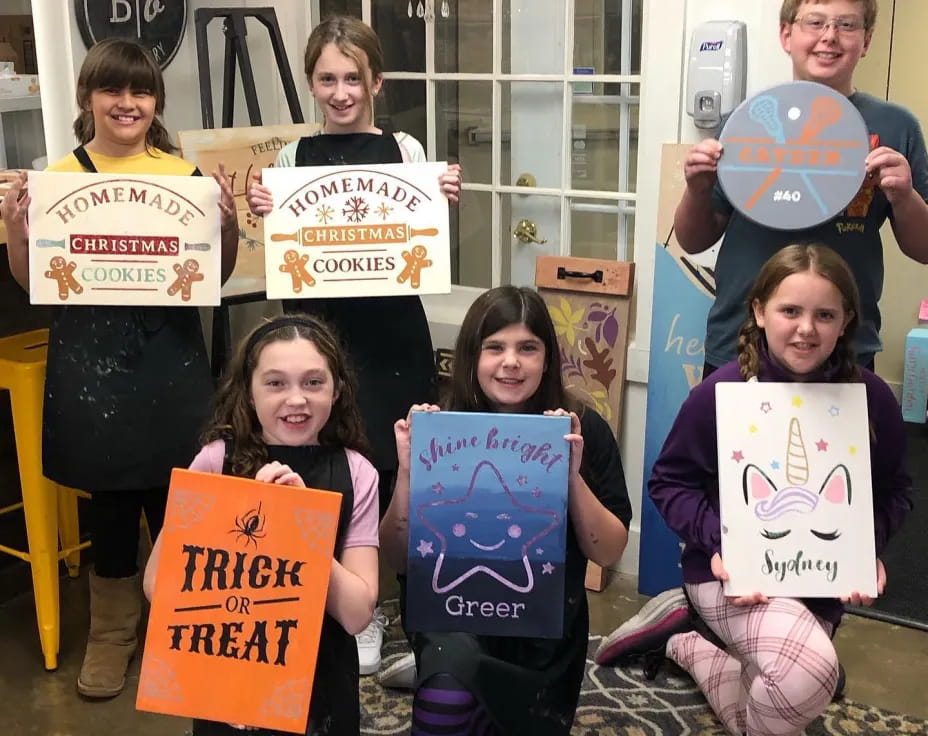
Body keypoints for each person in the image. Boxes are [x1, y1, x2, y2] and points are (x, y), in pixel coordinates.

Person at [0, 38, 238, 698]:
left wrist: (226, 226)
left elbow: (212, 279)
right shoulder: (57, 177)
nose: (126, 103)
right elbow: (33, 284)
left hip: (169, 357)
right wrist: (17, 229)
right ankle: (111, 634)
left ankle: (178, 625)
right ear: (88, 99)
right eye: (112, 90)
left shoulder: (185, 177)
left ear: (155, 102)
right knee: (109, 497)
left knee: (177, 495)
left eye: (139, 91)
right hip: (90, 358)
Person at [611, 245, 912, 736]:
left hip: (819, 578)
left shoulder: (871, 398)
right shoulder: (722, 392)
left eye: (825, 314)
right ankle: (699, 626)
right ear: (758, 311)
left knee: (789, 688)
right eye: (790, 310)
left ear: (846, 321)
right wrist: (723, 540)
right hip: (731, 572)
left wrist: (865, 546)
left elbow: (896, 489)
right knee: (811, 674)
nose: (806, 328)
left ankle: (690, 645)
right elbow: (669, 483)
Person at [246, 14, 462, 674]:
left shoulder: (406, 149)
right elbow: (281, 248)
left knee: (397, 468)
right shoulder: (292, 159)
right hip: (319, 335)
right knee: (331, 464)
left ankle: (394, 603)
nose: (341, 93)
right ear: (312, 83)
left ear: (376, 80)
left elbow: (425, 244)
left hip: (393, 331)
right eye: (326, 79)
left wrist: (442, 202)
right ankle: (345, 603)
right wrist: (263, 207)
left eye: (353, 78)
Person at [379, 285, 632, 735]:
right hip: (451, 616)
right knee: (446, 701)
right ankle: (440, 673)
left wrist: (569, 477)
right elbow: (398, 558)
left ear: (547, 358)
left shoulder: (581, 427)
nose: (510, 361)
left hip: (544, 632)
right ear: (471, 356)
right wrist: (406, 471)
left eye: (527, 348)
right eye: (494, 347)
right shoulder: (436, 422)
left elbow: (609, 551)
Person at [143, 313, 380, 735]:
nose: (295, 399)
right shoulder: (215, 462)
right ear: (249, 393)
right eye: (275, 383)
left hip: (319, 689)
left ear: (337, 389)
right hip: (226, 685)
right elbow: (159, 583)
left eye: (313, 382)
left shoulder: (357, 472)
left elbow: (357, 614)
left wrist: (300, 527)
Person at [674, 0, 928, 377]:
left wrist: (904, 197)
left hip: (845, 347)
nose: (829, 37)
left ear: (866, 40)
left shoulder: (895, 126)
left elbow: (923, 249)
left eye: (846, 24)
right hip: (740, 341)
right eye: (815, 22)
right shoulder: (743, 121)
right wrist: (696, 189)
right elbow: (692, 241)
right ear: (786, 35)